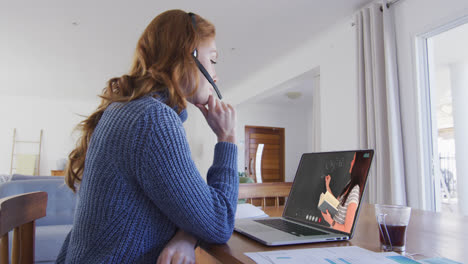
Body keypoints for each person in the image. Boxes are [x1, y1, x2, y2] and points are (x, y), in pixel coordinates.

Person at [56, 9, 238, 264]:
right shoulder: (153, 121)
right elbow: (220, 222)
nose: (216, 75)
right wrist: (227, 138)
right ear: (189, 56)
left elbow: (188, 207)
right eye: (213, 60)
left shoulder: (131, 111)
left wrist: (186, 234)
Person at [321, 152, 367, 233]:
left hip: (336, 239)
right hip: (331, 233)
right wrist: (327, 186)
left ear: (358, 165)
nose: (351, 162)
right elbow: (336, 204)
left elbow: (347, 230)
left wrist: (330, 220)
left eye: (353, 160)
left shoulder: (355, 193)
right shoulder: (350, 184)